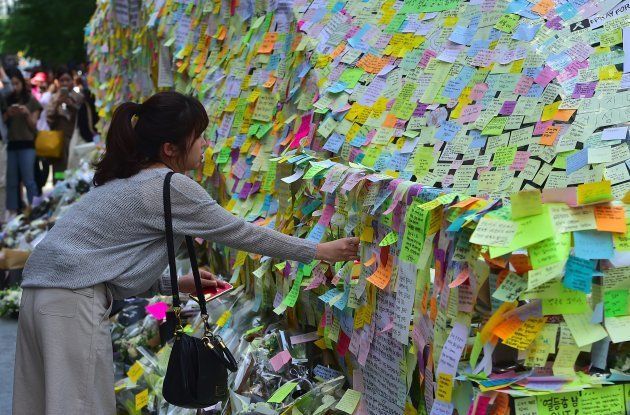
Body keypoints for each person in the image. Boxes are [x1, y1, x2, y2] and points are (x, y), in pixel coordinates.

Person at [13, 91, 360, 413]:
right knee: (81, 405)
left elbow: (107, 266)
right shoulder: (169, 185)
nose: (206, 144)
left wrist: (176, 284)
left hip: (40, 294)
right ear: (170, 147)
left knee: (40, 403)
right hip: (70, 304)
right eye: (200, 135)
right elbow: (239, 232)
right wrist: (318, 251)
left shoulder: (129, 178)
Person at [1, 68, 42, 217]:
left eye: (17, 83)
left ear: (22, 83)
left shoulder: (31, 100)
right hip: (11, 145)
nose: (14, 87)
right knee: (11, 181)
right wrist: (8, 114)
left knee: (29, 180)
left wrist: (26, 114)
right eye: (12, 84)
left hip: (27, 145)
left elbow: (34, 126)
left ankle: (35, 209)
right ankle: (12, 212)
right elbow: (3, 124)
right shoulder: (6, 100)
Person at [46, 68, 83, 181]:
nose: (65, 83)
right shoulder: (53, 98)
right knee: (59, 171)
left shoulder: (79, 97)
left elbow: (83, 117)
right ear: (57, 82)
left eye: (68, 80)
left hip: (76, 138)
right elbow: (49, 120)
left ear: (73, 81)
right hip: (59, 141)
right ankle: (59, 192)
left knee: (75, 168)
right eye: (62, 80)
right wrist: (57, 104)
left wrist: (71, 105)